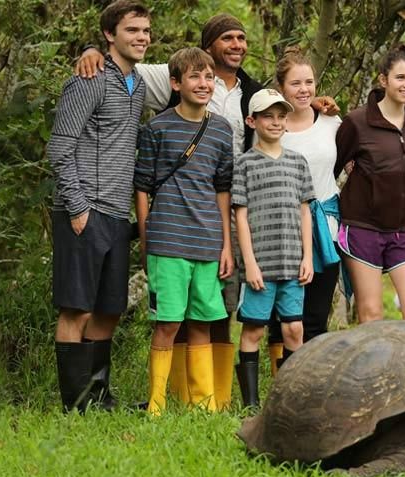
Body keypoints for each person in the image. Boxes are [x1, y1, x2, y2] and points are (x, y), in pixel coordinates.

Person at [75, 14, 339, 405]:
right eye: (228, 38)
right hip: (179, 217)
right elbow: (124, 61)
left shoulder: (253, 90)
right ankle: (174, 395)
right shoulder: (175, 76)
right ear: (207, 47)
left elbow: (278, 111)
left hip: (235, 208)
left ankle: (214, 397)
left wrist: (311, 102)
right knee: (176, 311)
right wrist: (94, 50)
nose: (237, 45)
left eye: (241, 38)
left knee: (222, 306)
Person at [46, 0, 150, 413]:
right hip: (84, 209)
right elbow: (59, 149)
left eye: (145, 30)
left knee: (109, 309)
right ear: (110, 36)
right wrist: (77, 207)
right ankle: (75, 405)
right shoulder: (87, 80)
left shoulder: (138, 83)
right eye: (132, 30)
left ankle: (99, 396)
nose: (142, 37)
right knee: (77, 307)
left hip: (116, 213)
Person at [135, 47, 234, 415]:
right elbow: (142, 185)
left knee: (203, 322)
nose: (203, 83)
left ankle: (203, 406)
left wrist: (226, 245)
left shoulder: (222, 130)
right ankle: (157, 405)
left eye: (209, 77)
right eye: (194, 76)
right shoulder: (157, 127)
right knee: (167, 323)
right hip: (168, 240)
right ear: (176, 83)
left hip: (208, 241)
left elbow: (223, 188)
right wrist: (147, 239)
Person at [232, 89, 315, 408]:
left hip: (293, 262)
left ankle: (288, 399)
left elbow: (304, 211)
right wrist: (249, 264)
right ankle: (251, 403)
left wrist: (307, 256)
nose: (276, 122)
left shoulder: (297, 162)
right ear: (252, 121)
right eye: (268, 116)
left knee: (294, 328)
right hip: (261, 267)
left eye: (282, 116)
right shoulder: (245, 164)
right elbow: (240, 216)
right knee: (253, 329)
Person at [333, 46, 405, 323]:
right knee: (371, 312)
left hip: (404, 230)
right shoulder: (358, 122)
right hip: (363, 227)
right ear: (383, 80)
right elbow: (333, 166)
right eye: (400, 78)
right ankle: (374, 368)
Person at [266, 48, 342, 347]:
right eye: (296, 83)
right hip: (281, 230)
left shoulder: (332, 123)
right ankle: (279, 387)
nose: (304, 89)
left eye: (309, 82)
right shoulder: (272, 127)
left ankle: (309, 388)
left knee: (315, 316)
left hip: (325, 227)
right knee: (279, 318)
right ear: (281, 87)